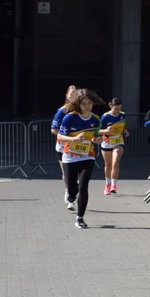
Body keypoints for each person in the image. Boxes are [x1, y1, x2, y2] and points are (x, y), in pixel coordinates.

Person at [57, 88, 102, 229]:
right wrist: (74, 138)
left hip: (87, 156)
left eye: (89, 103)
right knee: (72, 189)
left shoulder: (95, 119)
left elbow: (95, 136)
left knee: (83, 187)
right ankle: (71, 196)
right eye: (84, 103)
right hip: (70, 156)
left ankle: (80, 217)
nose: (87, 106)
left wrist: (97, 140)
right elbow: (59, 136)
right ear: (78, 104)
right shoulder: (70, 117)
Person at [51, 84, 76, 204]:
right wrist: (67, 137)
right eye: (71, 94)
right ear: (67, 95)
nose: (73, 97)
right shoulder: (62, 111)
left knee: (75, 173)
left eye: (75, 95)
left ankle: (73, 188)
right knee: (66, 173)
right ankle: (68, 192)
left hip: (77, 147)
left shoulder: (81, 111)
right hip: (62, 147)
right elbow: (54, 129)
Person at [99, 97, 127, 196]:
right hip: (107, 141)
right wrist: (106, 131)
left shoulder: (122, 115)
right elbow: (98, 130)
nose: (118, 111)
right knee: (108, 164)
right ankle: (107, 184)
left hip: (118, 141)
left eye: (119, 108)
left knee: (115, 162)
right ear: (110, 106)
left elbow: (122, 125)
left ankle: (113, 185)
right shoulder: (105, 117)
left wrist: (125, 130)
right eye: (116, 108)